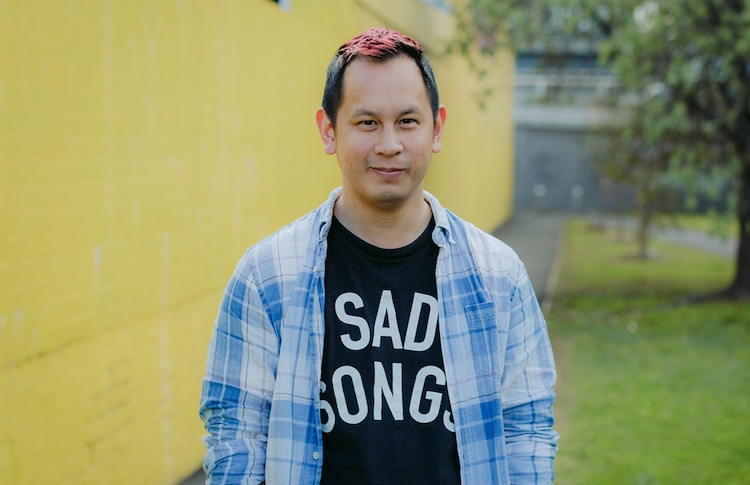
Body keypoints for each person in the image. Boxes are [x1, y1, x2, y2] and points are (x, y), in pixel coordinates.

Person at [199, 27, 558, 485]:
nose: (389, 144)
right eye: (367, 123)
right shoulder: (266, 276)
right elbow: (237, 439)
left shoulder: (499, 276)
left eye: (407, 121)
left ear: (437, 128)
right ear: (329, 130)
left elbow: (525, 430)